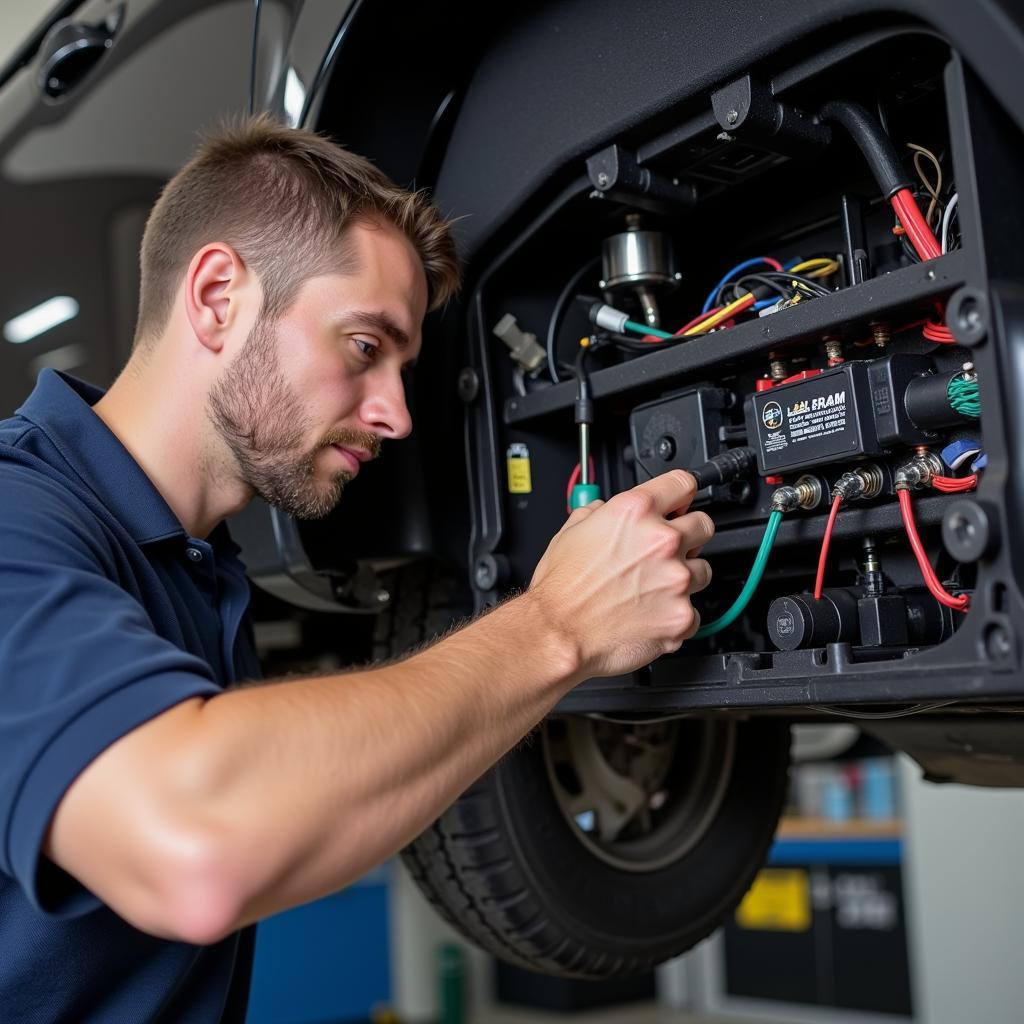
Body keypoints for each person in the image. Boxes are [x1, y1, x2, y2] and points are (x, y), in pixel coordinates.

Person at [0, 115, 712, 1022]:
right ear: (218, 297)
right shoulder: (14, 513)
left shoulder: (199, 576)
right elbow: (197, 849)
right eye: (366, 349)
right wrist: (558, 626)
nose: (398, 416)